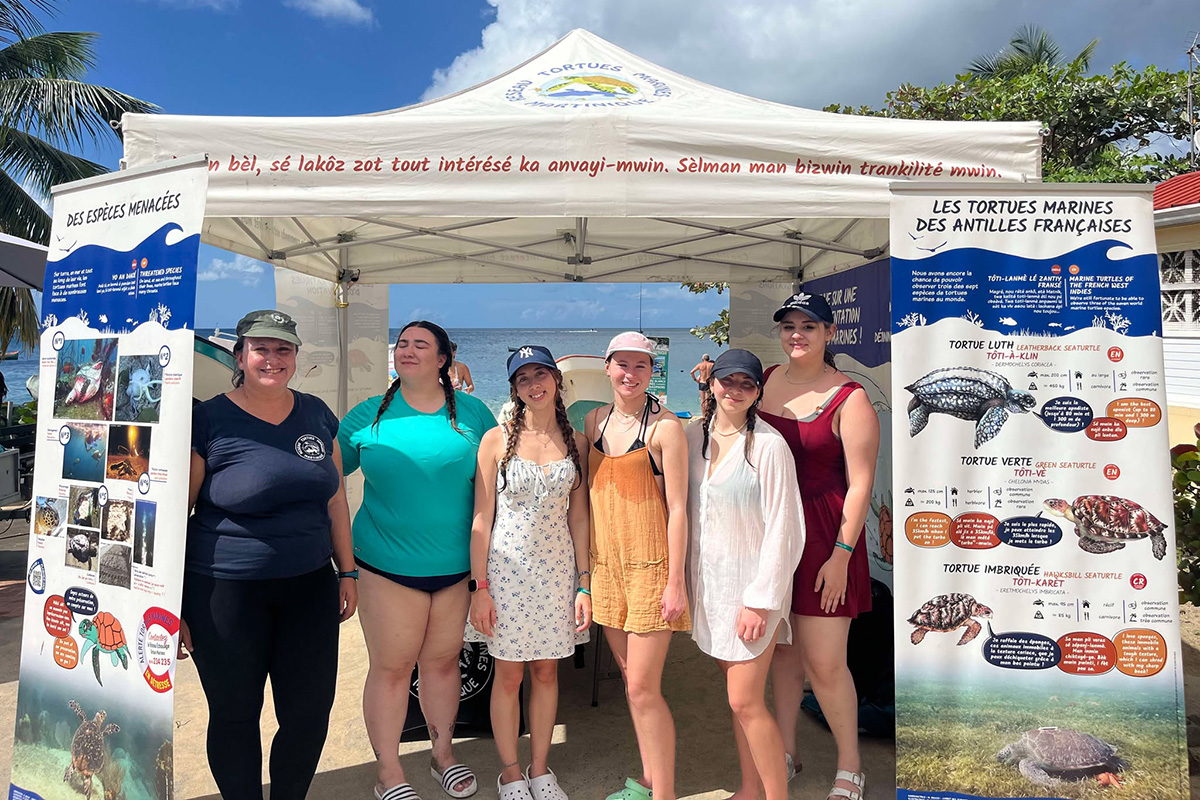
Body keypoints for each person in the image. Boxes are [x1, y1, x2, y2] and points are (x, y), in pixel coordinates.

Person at [180, 309, 358, 800]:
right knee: (235, 713)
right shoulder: (210, 417)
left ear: (296, 357)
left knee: (309, 712)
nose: (272, 359)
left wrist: (347, 572)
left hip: (309, 586)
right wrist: (167, 603)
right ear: (239, 355)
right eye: (261, 348)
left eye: (284, 350)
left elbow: (336, 498)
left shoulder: (318, 414)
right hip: (224, 591)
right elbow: (179, 511)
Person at [339, 320, 497, 800]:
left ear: (444, 358)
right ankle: (389, 772)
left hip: (455, 569)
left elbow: (506, 474)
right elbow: (319, 480)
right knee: (390, 668)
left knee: (443, 664)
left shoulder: (473, 413)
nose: (407, 350)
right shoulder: (366, 416)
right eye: (402, 343)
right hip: (385, 566)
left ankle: (442, 754)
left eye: (420, 344)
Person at [758, 292, 878, 800]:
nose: (797, 334)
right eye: (788, 325)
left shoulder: (850, 397)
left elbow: (861, 484)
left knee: (826, 664)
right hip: (772, 534)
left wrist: (841, 556)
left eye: (810, 325)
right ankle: (786, 752)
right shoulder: (765, 380)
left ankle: (850, 765)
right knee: (782, 654)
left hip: (828, 540)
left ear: (830, 333)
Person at [467, 345, 592, 800]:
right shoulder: (496, 441)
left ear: (557, 380)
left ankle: (541, 769)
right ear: (515, 390)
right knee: (509, 675)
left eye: (541, 374)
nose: (534, 384)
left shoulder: (576, 442)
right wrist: (478, 587)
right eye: (523, 379)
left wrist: (584, 583)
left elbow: (579, 517)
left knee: (545, 673)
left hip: (557, 572)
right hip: (505, 573)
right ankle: (511, 772)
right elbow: (482, 518)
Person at [685, 349, 805, 800]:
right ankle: (751, 789)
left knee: (745, 702)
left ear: (758, 392)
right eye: (726, 381)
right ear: (710, 382)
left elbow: (785, 530)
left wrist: (762, 600)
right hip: (711, 591)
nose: (734, 390)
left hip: (753, 593)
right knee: (741, 703)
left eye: (746, 384)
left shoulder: (770, 447)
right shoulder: (692, 436)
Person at [585, 331, 690, 800]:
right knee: (631, 685)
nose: (630, 374)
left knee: (645, 688)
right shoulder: (592, 422)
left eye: (641, 366)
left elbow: (681, 509)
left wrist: (676, 582)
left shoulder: (666, 428)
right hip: (607, 567)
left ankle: (662, 793)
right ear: (607, 367)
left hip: (651, 568)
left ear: (653, 372)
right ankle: (649, 780)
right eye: (622, 364)